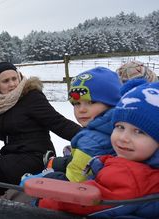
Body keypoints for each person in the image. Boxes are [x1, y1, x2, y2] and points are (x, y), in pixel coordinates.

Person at [38, 79, 159, 218]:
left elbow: (87, 202)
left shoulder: (131, 173)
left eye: (139, 132)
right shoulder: (136, 162)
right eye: (120, 127)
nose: (123, 138)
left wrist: (42, 203)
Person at [0, 61, 81, 192]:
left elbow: (58, 123)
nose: (12, 84)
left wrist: (88, 137)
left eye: (14, 78)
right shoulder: (3, 103)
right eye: (6, 81)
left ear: (20, 77)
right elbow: (3, 134)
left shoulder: (31, 97)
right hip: (13, 156)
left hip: (35, 157)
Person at [21, 67, 122, 184]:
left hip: (82, 196)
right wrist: (57, 163)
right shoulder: (116, 128)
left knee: (23, 188)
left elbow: (72, 181)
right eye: (76, 103)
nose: (82, 110)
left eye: (91, 102)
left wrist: (40, 179)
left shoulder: (92, 141)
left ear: (112, 103)